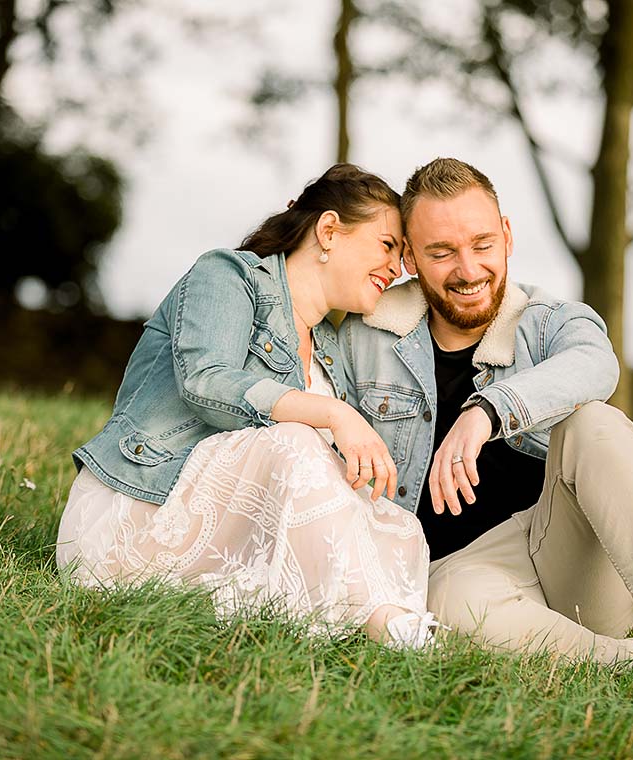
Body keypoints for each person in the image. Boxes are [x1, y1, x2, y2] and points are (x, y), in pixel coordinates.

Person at [339, 157, 633, 695]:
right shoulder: (366, 333)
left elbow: (597, 365)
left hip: (567, 555)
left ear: (507, 236)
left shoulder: (550, 320)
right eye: (441, 252)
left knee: (595, 422)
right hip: (464, 577)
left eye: (481, 244)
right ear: (409, 256)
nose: (469, 270)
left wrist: (488, 410)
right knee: (443, 602)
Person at [56, 164, 440, 649]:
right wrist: (336, 414)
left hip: (225, 529)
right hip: (141, 510)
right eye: (389, 245)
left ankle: (378, 620)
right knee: (297, 441)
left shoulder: (331, 346)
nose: (399, 268)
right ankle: (381, 620)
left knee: (397, 521)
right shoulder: (228, 275)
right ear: (328, 230)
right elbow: (206, 381)